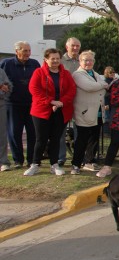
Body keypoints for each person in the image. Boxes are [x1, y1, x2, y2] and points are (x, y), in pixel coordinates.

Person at [23, 48, 76, 176]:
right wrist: (51, 102)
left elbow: (72, 90)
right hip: (41, 111)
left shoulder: (66, 74)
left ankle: (54, 164)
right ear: (46, 60)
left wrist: (61, 102)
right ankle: (35, 164)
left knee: (56, 138)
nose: (55, 61)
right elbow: (34, 89)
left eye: (57, 58)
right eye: (52, 58)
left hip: (61, 111)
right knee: (41, 139)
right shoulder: (39, 72)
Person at [1, 42, 40, 169]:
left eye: (29, 50)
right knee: (14, 132)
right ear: (17, 51)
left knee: (33, 132)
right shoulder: (6, 63)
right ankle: (18, 160)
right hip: (12, 104)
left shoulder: (34, 64)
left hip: (32, 104)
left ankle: (31, 160)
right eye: (25, 50)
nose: (28, 53)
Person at [71, 50, 108, 174]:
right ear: (80, 61)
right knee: (82, 140)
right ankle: (76, 164)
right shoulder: (77, 74)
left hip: (98, 112)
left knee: (94, 139)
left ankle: (90, 161)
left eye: (91, 60)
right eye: (86, 60)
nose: (88, 62)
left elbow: (103, 85)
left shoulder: (95, 73)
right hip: (84, 113)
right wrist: (101, 85)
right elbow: (89, 87)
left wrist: (101, 84)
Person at [0, 67, 12, 171]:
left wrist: (6, 87)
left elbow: (9, 86)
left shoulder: (1, 71)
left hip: (1, 104)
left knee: (2, 135)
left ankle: (3, 162)